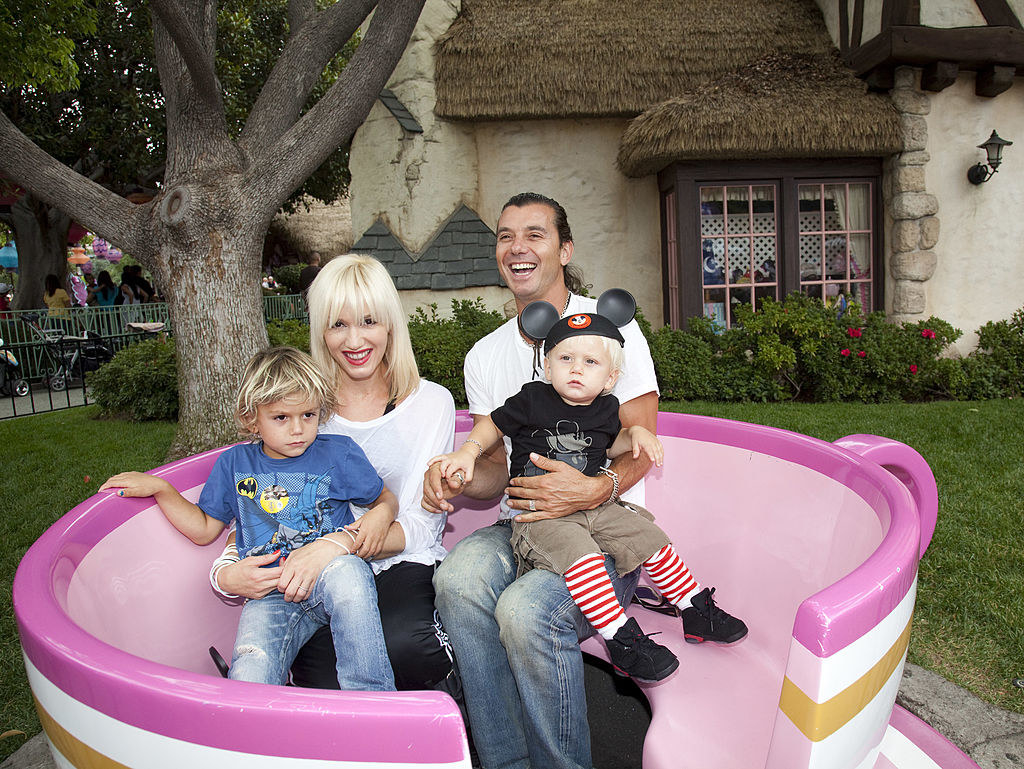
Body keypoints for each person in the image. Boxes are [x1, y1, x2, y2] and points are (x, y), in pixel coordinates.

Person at [429, 292, 747, 684]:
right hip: (541, 513)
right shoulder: (532, 399)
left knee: (648, 536)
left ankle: (693, 606)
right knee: (584, 557)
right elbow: (492, 425)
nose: (576, 369)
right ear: (548, 365)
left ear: (610, 377)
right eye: (565, 359)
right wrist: (467, 453)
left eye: (590, 362)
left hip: (595, 507)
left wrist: (637, 435)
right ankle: (620, 638)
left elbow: (610, 446)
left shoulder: (606, 408)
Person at [214, 254, 458, 694]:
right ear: (320, 332)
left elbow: (423, 524)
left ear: (390, 325)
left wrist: (334, 547)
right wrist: (227, 570)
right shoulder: (302, 412)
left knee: (409, 647)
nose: (355, 340)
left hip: (399, 560)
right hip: (308, 574)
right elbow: (264, 503)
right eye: (337, 324)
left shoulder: (430, 402)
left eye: (368, 320)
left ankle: (437, 728)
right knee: (320, 681)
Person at [101, 346, 399, 690]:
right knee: (250, 673)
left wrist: (383, 514)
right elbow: (203, 529)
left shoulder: (339, 453)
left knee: (348, 574)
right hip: (269, 594)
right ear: (250, 418)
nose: (298, 429)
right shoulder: (234, 463)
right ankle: (252, 734)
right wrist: (163, 490)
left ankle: (372, 699)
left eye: (309, 415)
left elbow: (384, 498)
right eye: (281, 418)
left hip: (329, 575)